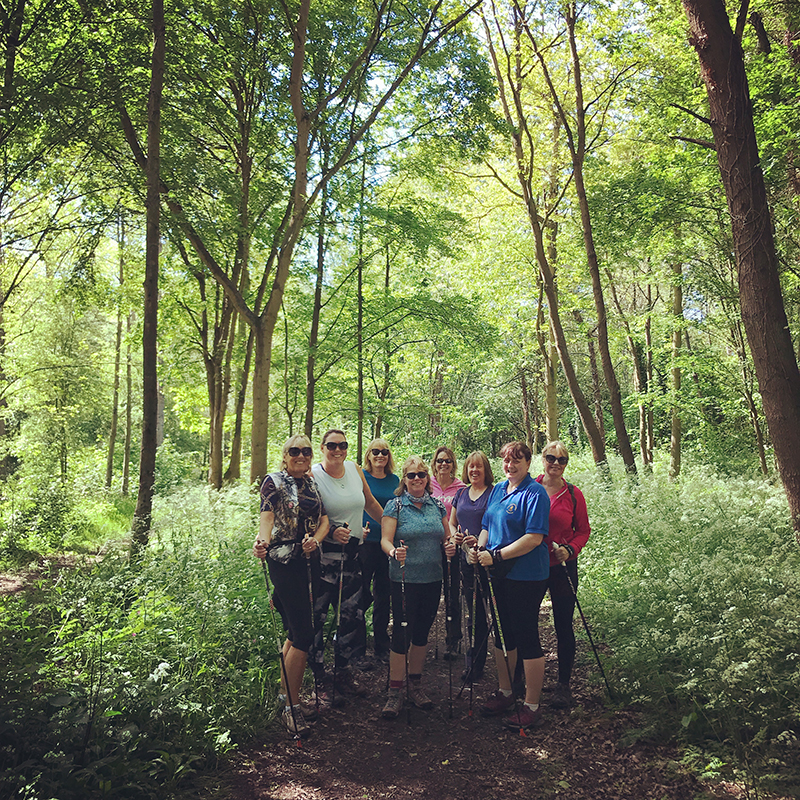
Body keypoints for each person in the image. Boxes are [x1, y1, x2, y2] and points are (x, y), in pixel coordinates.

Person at [465, 441, 550, 731]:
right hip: (497, 572)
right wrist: (479, 547)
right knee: (502, 635)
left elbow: (534, 538)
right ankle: (505, 691)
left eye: (517, 461)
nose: (510, 466)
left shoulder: (535, 493)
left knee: (526, 636)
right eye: (506, 461)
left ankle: (532, 704)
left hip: (526, 575)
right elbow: (488, 525)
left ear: (528, 463)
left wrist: (497, 555)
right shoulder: (499, 489)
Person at [252, 435, 329, 737]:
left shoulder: (311, 484)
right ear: (284, 456)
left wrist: (317, 540)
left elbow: (323, 520)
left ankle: (285, 698)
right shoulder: (273, 481)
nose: (301, 456)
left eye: (306, 451)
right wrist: (262, 541)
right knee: (304, 635)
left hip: (309, 559)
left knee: (293, 632)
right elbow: (267, 516)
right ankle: (291, 711)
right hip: (283, 561)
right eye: (294, 451)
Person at [309, 429, 384, 698]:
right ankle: (319, 678)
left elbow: (371, 504)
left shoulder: (354, 469)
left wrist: (392, 527)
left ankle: (343, 672)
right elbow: (308, 515)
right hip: (324, 560)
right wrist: (329, 532)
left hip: (353, 557)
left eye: (343, 445)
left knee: (351, 618)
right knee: (317, 620)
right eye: (332, 445)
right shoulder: (313, 475)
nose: (337, 450)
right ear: (322, 447)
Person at [380, 456, 456, 718]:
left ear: (427, 478)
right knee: (402, 634)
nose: (417, 479)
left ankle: (416, 685)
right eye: (411, 475)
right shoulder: (395, 506)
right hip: (403, 580)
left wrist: (449, 546)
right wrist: (393, 553)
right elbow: (385, 541)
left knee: (422, 633)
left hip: (433, 579)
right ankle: (394, 691)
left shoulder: (437, 506)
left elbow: (446, 538)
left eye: (421, 475)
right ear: (404, 479)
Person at [536, 440, 591, 709]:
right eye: (551, 458)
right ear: (542, 459)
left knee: (563, 624)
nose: (556, 464)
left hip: (562, 566)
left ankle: (563, 684)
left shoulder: (573, 494)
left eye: (562, 460)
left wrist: (570, 550)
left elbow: (583, 530)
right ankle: (527, 677)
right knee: (525, 622)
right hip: (530, 565)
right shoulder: (530, 487)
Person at [449, 451, 494, 682]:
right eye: (470, 467)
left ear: (486, 469)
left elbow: (497, 524)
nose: (474, 470)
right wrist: (455, 536)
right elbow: (452, 522)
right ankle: (473, 663)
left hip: (489, 560)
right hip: (466, 561)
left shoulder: (495, 493)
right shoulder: (461, 493)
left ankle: (505, 664)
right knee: (473, 612)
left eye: (478, 466)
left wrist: (481, 542)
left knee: (492, 612)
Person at [360, 438, 400, 664]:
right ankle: (356, 641)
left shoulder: (394, 481)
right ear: (369, 454)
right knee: (362, 593)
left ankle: (381, 643)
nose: (380, 455)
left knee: (384, 595)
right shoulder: (361, 478)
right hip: (365, 544)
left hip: (387, 545)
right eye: (376, 451)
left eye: (384, 452)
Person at [429, 446, 465, 660]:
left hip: (452, 547)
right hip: (430, 547)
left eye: (448, 461)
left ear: (453, 465)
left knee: (452, 594)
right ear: (435, 463)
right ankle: (423, 638)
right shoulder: (427, 484)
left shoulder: (461, 488)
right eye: (440, 460)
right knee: (431, 594)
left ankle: (453, 640)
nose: (444, 464)